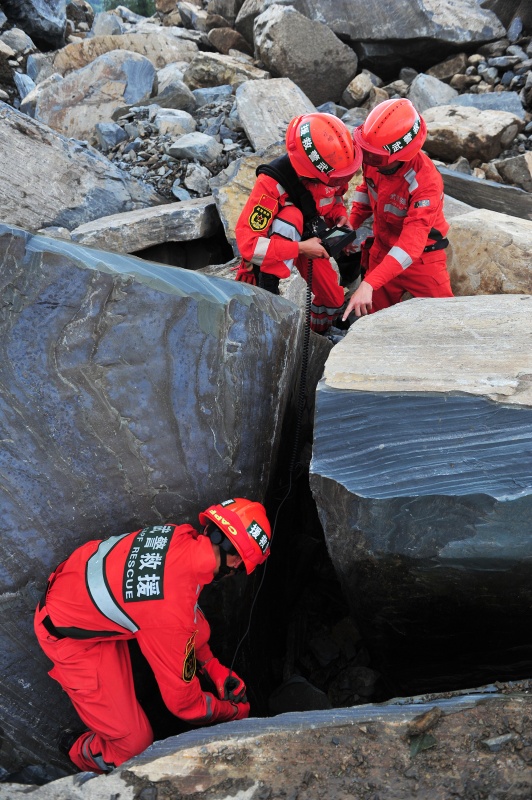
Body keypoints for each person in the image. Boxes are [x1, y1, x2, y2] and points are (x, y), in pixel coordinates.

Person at [34, 497, 271, 773]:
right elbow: (185, 706)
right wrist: (232, 712)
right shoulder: (171, 613)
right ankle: (79, 750)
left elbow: (185, 613)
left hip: (80, 588)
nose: (236, 573)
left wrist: (211, 667)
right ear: (235, 560)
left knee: (187, 625)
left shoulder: (178, 535)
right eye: (241, 568)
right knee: (134, 748)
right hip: (70, 637)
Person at [234, 112, 362, 334]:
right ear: (310, 170)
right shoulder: (271, 184)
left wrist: (339, 216)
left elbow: (335, 197)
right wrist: (301, 248)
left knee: (332, 298)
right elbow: (249, 245)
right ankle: (269, 291)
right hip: (280, 250)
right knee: (290, 216)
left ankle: (317, 335)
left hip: (309, 238)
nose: (340, 182)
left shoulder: (331, 170)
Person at [342, 98, 454, 321]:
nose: (368, 160)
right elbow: (366, 189)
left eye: (375, 157)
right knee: (374, 321)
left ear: (401, 156)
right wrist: (351, 225)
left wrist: (368, 284)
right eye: (367, 152)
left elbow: (410, 246)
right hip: (382, 250)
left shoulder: (426, 183)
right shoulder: (373, 156)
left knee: (446, 321)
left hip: (423, 260)